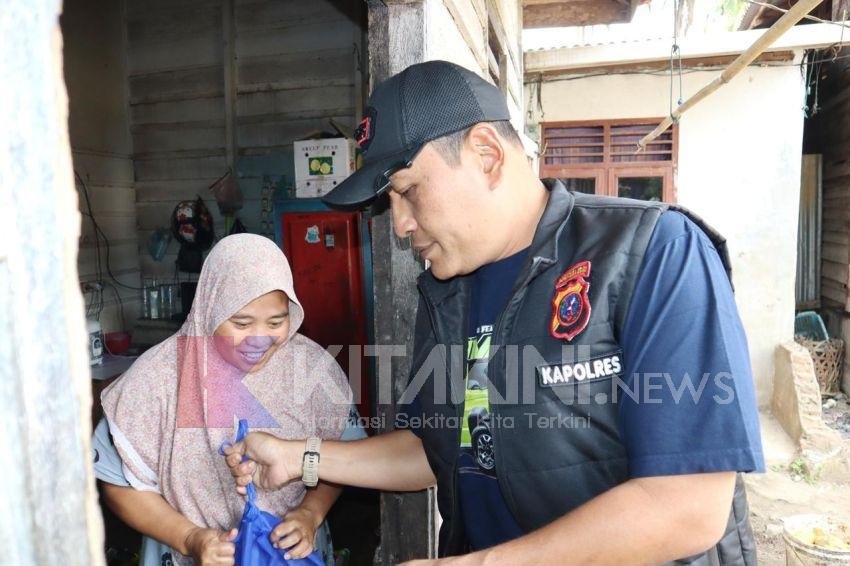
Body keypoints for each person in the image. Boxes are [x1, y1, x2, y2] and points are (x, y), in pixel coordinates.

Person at [223, 61, 765, 565]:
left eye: (409, 191)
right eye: (392, 203)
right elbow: (433, 447)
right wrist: (300, 457)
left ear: (486, 154)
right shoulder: (446, 291)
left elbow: (689, 505)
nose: (402, 225)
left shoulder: (653, 251)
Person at [94, 234, 359, 566]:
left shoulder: (314, 371)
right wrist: (190, 538)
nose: (260, 338)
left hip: (291, 555)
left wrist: (310, 512)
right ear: (209, 308)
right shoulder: (153, 380)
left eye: (276, 322)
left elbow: (349, 458)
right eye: (241, 323)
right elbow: (118, 484)